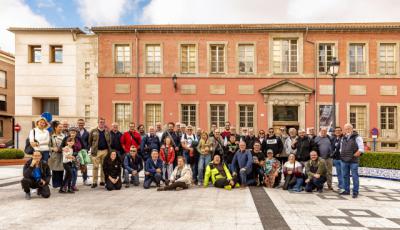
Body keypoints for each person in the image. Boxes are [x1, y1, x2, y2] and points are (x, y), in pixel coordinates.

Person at [340, 123, 364, 198]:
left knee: (354, 176)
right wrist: (342, 154)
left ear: (352, 129)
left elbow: (361, 149)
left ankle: (355, 192)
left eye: (348, 128)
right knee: (345, 176)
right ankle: (346, 190)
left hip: (353, 160)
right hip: (344, 160)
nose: (347, 130)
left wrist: (354, 155)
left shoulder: (357, 137)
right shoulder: (343, 137)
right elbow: (341, 148)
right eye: (346, 129)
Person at [89, 118, 111, 188]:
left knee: (103, 167)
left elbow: (109, 141)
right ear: (98, 123)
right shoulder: (93, 131)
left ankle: (102, 181)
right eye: (100, 122)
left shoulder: (107, 131)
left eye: (103, 122)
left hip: (105, 151)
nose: (101, 123)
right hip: (96, 151)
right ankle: (94, 182)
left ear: (104, 123)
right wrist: (93, 148)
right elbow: (90, 141)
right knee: (95, 167)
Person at [48, 121, 65, 188]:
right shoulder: (51, 136)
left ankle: (61, 184)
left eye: (61, 127)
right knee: (55, 170)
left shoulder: (64, 135)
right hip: (54, 155)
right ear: (55, 128)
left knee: (62, 169)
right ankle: (55, 184)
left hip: (62, 155)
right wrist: (52, 149)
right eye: (59, 127)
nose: (61, 128)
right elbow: (47, 146)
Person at [77, 118, 90, 185]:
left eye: (82, 123)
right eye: (79, 123)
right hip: (76, 151)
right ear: (77, 124)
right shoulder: (75, 132)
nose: (81, 124)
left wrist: (87, 149)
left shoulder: (87, 133)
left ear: (84, 124)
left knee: (84, 166)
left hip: (84, 151)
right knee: (76, 165)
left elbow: (89, 142)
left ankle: (85, 180)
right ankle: (74, 180)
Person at [331, 127, 344, 193]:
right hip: (336, 159)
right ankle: (340, 186)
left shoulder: (343, 138)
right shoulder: (333, 139)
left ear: (341, 131)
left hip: (342, 159)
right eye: (336, 131)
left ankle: (343, 187)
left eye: (339, 130)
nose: (338, 132)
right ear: (334, 132)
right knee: (339, 173)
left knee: (343, 173)